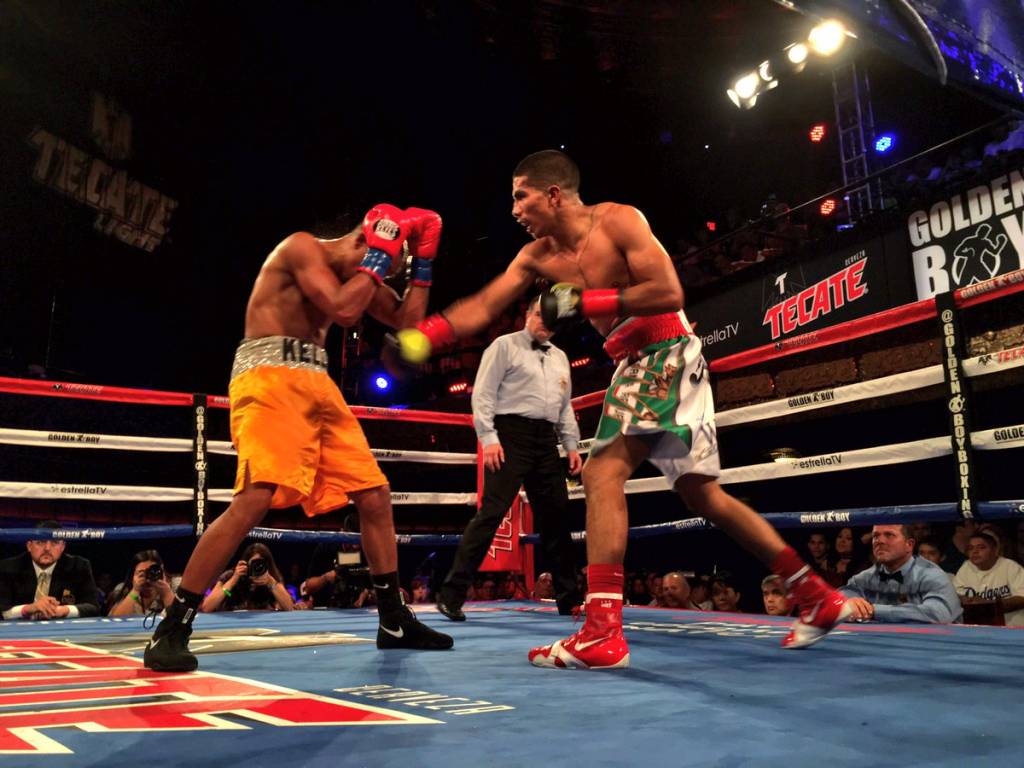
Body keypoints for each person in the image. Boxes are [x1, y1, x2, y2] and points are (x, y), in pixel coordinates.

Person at [393, 149, 849, 668]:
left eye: (521, 196)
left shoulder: (618, 220)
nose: (514, 210)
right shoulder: (535, 256)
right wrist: (425, 336)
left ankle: (602, 632)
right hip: (639, 361)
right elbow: (483, 304)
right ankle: (815, 593)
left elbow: (669, 291)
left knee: (602, 473)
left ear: (553, 194)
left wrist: (588, 302)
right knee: (703, 496)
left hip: (664, 350)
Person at [143, 205, 453, 671]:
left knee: (374, 494)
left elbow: (407, 324)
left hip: (317, 383)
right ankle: (173, 626)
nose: (380, 275)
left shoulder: (360, 275)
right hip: (267, 376)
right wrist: (379, 257)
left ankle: (393, 620)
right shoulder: (301, 247)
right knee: (255, 499)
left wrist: (422, 264)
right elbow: (345, 310)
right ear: (363, 240)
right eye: (381, 262)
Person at [436, 298, 582, 621]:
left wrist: (571, 445)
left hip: (546, 441)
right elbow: (483, 394)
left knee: (557, 518)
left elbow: (565, 407)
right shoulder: (503, 346)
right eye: (539, 315)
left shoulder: (560, 357)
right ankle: (451, 595)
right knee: (491, 514)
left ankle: (569, 599)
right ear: (527, 315)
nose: (543, 322)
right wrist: (488, 438)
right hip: (509, 436)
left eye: (550, 319)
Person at [841, 525, 962, 624]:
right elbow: (843, 594)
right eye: (876, 536)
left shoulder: (932, 575)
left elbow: (939, 614)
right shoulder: (867, 576)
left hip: (934, 643)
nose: (879, 541)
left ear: (909, 544)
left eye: (889, 535)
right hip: (883, 642)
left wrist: (874, 610)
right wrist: (850, 602)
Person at [0, 520, 100, 620]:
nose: (47, 548)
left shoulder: (78, 566)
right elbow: (2, 609)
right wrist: (28, 609)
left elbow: (93, 607)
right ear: (29, 546)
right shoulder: (8, 567)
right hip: (18, 628)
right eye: (40, 542)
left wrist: (64, 610)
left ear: (62, 547)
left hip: (61, 628)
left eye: (54, 542)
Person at [954, 530, 1024, 626]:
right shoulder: (965, 567)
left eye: (981, 547)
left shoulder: (1011, 567)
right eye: (970, 548)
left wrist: (990, 604)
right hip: (977, 627)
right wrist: (964, 600)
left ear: (995, 550)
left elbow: (1022, 598)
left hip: (1010, 626)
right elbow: (957, 595)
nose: (975, 551)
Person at [201, 543, 294, 612]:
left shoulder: (272, 579)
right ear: (246, 563)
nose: (257, 567)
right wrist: (233, 580)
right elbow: (207, 607)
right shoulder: (231, 575)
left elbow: (289, 608)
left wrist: (271, 583)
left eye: (260, 563)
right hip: (232, 622)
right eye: (254, 563)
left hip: (262, 625)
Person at [107, 550, 174, 617]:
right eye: (142, 573)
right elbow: (116, 620)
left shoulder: (174, 586)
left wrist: (166, 593)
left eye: (152, 572)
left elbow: (178, 619)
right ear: (133, 575)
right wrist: (135, 591)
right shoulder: (123, 590)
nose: (148, 579)